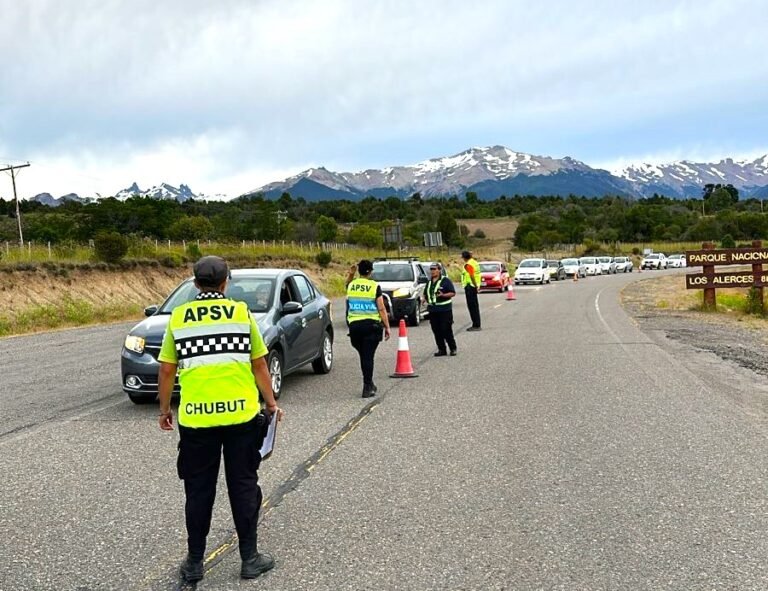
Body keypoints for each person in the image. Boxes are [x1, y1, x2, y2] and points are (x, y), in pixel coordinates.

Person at [157, 255, 285, 583]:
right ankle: (250, 558)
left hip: (197, 420)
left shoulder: (179, 317)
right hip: (241, 415)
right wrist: (270, 404)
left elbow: (168, 368)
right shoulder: (241, 313)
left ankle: (195, 562)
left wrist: (164, 410)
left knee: (198, 491)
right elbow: (259, 364)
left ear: (195, 283)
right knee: (243, 485)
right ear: (226, 281)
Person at [346, 259, 391, 397]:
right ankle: (367, 386)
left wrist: (351, 273)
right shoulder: (374, 286)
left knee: (364, 356)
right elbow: (381, 308)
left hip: (354, 327)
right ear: (371, 271)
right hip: (371, 326)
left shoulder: (352, 285)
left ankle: (370, 384)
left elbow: (347, 284)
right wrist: (387, 327)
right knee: (368, 357)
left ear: (359, 271)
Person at [424, 263, 457, 356]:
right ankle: (441, 349)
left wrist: (443, 295)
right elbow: (426, 293)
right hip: (433, 310)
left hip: (444, 310)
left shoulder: (445, 281)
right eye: (431, 269)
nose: (432, 271)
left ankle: (453, 348)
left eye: (434, 269)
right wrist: (424, 298)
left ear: (439, 270)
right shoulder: (429, 282)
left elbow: (452, 293)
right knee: (436, 331)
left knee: (446, 329)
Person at [461, 250, 482, 331]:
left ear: (464, 258)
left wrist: (475, 285)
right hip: (473, 286)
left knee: (472, 307)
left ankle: (476, 325)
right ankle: (476, 324)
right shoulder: (474, 262)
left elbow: (472, 275)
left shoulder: (468, 265)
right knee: (475, 306)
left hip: (470, 286)